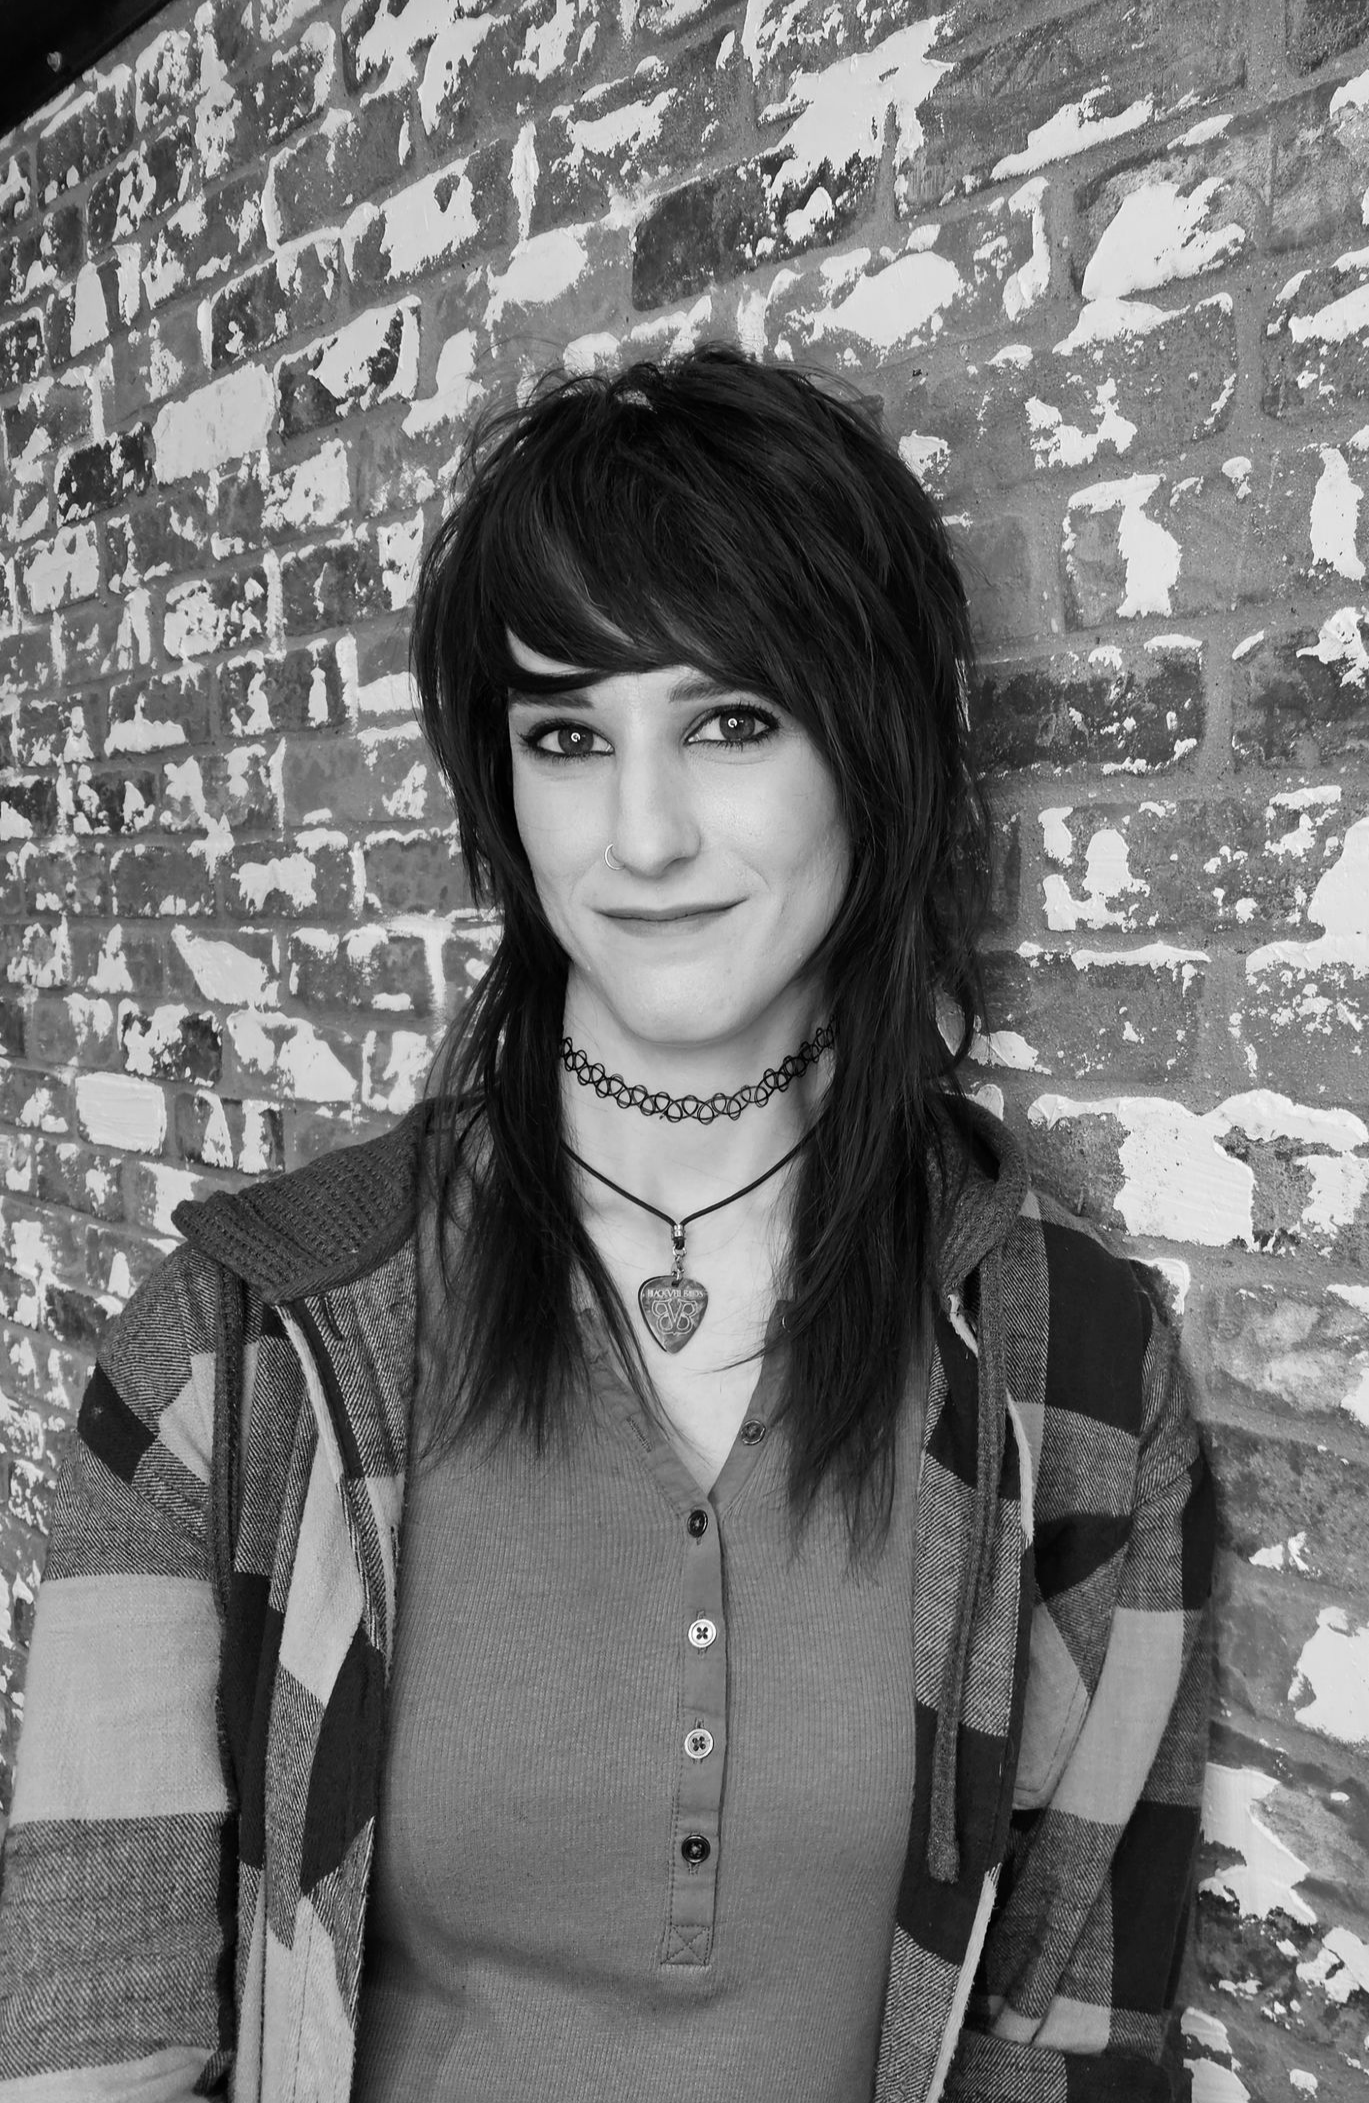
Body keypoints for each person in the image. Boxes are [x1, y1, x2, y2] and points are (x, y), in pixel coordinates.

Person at [0, 343, 1215, 2103]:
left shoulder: (1075, 1363)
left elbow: (1075, 2028)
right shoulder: (244, 1341)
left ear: (868, 749)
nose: (642, 833)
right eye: (568, 733)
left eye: (731, 720)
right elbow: (85, 2030)